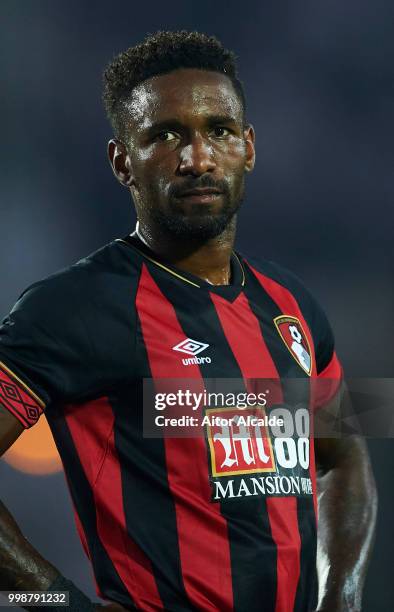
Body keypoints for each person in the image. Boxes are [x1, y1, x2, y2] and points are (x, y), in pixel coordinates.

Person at [0, 31, 377, 612]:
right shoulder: (71, 308)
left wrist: (342, 596)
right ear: (122, 160)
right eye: (165, 135)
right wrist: (55, 603)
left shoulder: (295, 303)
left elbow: (346, 455)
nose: (196, 158)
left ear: (248, 147)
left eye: (219, 131)